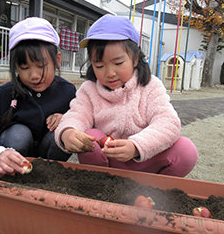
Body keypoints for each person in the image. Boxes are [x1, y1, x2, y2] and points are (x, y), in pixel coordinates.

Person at [55, 14, 198, 177]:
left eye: (118, 63)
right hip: (107, 165)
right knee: (92, 138)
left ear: (135, 59)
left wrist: (136, 146)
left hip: (146, 162)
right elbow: (76, 115)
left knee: (186, 151)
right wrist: (67, 132)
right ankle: (101, 185)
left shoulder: (151, 86)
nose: (110, 73)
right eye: (99, 65)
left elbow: (168, 123)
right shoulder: (89, 90)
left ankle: (154, 189)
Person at [0, 17, 76, 175]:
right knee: (18, 134)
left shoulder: (68, 91)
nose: (34, 75)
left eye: (41, 66)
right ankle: (12, 174)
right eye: (24, 67)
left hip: (51, 157)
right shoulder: (5, 93)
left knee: (61, 132)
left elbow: (85, 120)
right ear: (15, 66)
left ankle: (51, 175)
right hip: (16, 161)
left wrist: (67, 119)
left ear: (57, 60)